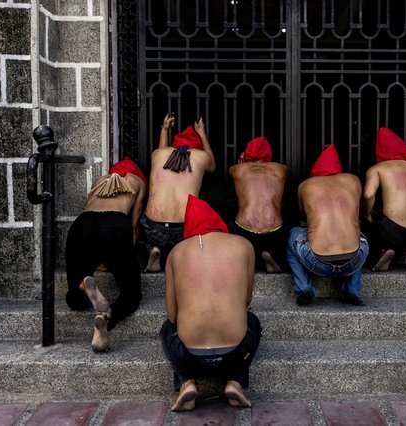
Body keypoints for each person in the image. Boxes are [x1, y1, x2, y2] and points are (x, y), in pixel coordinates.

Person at [160, 194, 262, 412]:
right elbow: (246, 301)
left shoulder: (176, 252)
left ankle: (186, 382)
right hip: (235, 353)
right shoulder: (244, 245)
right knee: (252, 322)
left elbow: (172, 316)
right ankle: (235, 382)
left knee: (167, 329)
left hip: (189, 356)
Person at [64, 157, 147, 352]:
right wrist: (126, 260)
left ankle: (84, 283)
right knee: (131, 294)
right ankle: (105, 318)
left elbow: (94, 218)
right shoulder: (137, 183)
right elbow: (134, 227)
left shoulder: (100, 180)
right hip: (116, 226)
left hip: (82, 225)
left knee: (73, 298)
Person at [286, 144, 369, 306]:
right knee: (359, 235)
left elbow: (303, 215)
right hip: (354, 259)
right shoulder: (353, 180)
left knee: (292, 234)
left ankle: (303, 287)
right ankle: (353, 289)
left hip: (316, 261)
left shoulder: (306, 186)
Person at [141, 113, 216, 272]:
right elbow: (212, 165)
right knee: (195, 231)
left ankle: (153, 248)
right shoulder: (202, 157)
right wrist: (202, 133)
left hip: (153, 228)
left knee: (144, 220)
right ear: (196, 147)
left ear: (173, 146)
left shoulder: (158, 154)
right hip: (183, 230)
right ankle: (181, 254)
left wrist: (164, 130)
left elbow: (162, 149)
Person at [363, 127, 406, 272]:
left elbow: (368, 195)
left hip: (392, 232)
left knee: (373, 218)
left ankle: (386, 248)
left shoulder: (378, 168)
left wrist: (368, 214)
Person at [229, 136, 288, 273]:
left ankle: (244, 258)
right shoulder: (281, 169)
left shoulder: (236, 169)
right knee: (288, 228)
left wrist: (242, 161)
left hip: (244, 232)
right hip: (273, 234)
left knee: (229, 226)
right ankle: (270, 254)